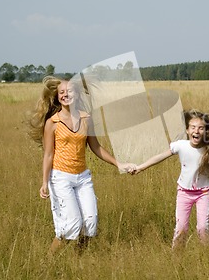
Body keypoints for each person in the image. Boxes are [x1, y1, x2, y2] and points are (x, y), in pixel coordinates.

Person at [28, 76, 132, 254]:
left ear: (76, 94)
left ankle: (79, 260)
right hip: (61, 178)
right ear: (57, 96)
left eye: (69, 91)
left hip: (82, 177)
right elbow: (48, 154)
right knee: (72, 225)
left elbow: (96, 147)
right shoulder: (52, 123)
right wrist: (44, 182)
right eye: (61, 92)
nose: (65, 95)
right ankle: (47, 262)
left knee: (90, 223)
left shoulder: (86, 119)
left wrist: (118, 164)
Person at [130, 109, 209, 248]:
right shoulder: (181, 145)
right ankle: (177, 258)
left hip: (203, 193)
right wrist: (141, 167)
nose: (196, 131)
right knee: (181, 228)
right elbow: (160, 157)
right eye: (193, 127)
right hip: (184, 192)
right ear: (187, 130)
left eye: (201, 128)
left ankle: (208, 255)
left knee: (202, 228)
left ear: (206, 131)